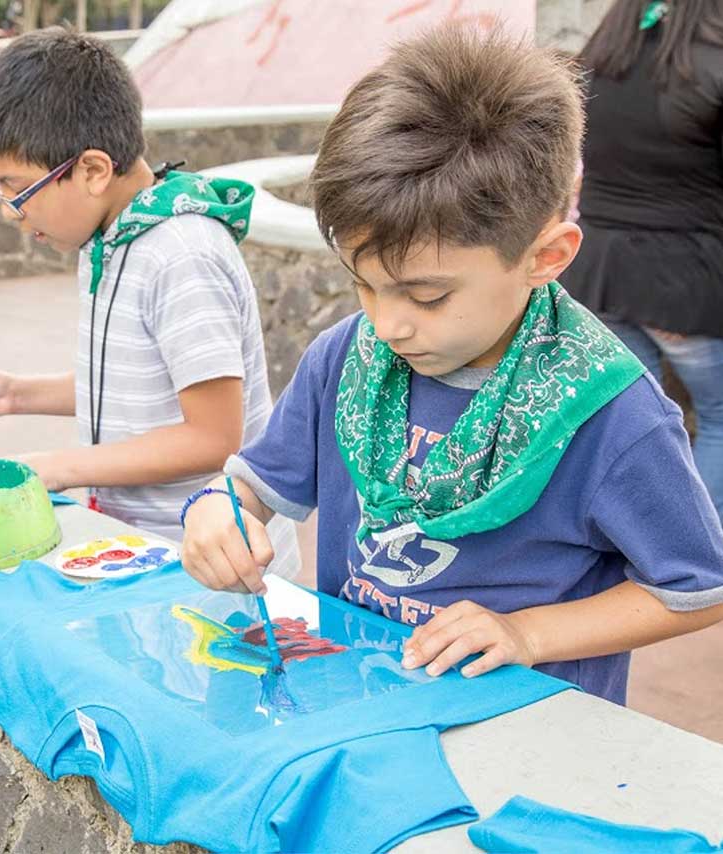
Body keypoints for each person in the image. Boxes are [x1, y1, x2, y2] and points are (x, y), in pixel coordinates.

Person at [179, 26, 723, 704]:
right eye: (364, 282)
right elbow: (255, 485)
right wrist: (215, 509)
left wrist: (526, 634)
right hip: (359, 702)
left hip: (524, 741)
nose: (388, 323)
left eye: (427, 294)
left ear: (545, 256)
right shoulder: (345, 358)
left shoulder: (610, 413)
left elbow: (697, 592)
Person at [0, 28, 299, 575]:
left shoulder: (181, 255)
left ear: (92, 170)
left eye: (17, 188)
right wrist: (18, 395)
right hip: (139, 551)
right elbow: (134, 388)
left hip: (216, 569)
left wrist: (58, 468)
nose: (11, 211)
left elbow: (211, 437)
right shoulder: (107, 238)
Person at [560, 0, 723, 521]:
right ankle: (703, 561)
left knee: (640, 424)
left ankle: (646, 548)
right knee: (719, 418)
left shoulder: (603, 55)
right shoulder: (710, 63)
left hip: (596, 274)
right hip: (678, 282)